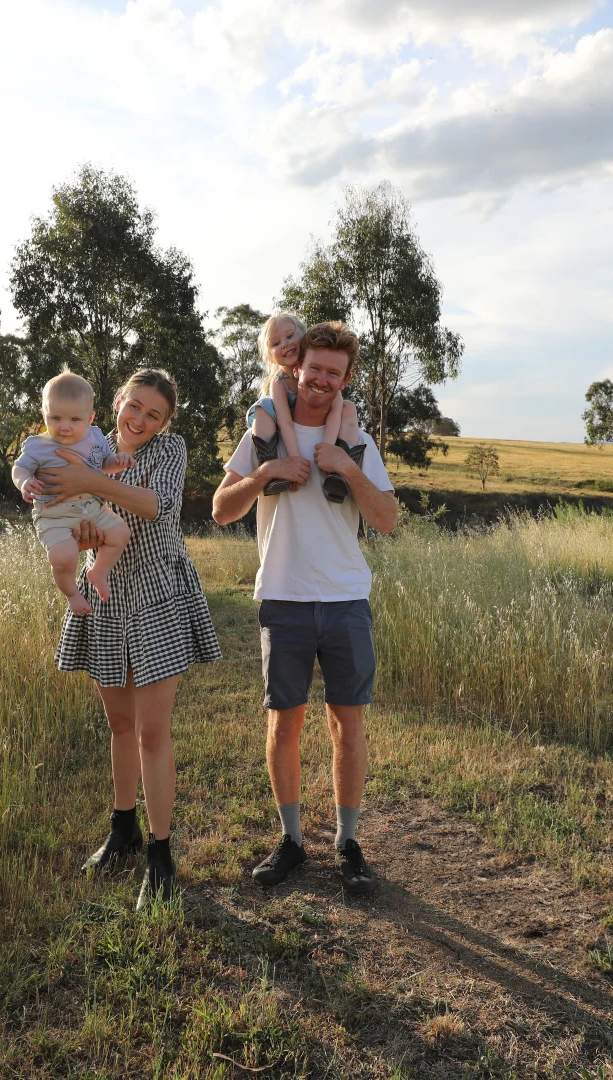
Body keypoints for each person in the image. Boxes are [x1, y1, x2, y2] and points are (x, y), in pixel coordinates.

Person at [211, 321, 398, 895]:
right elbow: (222, 510)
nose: (320, 379)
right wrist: (266, 473)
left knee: (348, 725)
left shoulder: (357, 440)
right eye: (313, 368)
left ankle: (348, 843)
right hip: (285, 596)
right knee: (284, 722)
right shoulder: (264, 431)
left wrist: (344, 468)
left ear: (345, 379)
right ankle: (292, 841)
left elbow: (387, 519)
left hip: (345, 598)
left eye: (333, 373)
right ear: (298, 367)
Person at [33, 368, 222, 911]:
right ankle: (124, 830)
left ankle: (161, 855)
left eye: (153, 414)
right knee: (119, 723)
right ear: (115, 403)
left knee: (153, 732)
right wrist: (77, 527)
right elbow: (57, 506)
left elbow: (152, 505)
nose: (139, 419)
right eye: (133, 406)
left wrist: (89, 485)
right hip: (106, 591)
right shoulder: (84, 443)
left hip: (158, 591)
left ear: (165, 422)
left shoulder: (168, 450)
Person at [12, 369, 135, 615]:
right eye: (56, 418)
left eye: (74, 420)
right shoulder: (38, 445)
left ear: (90, 419)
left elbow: (105, 463)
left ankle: (98, 571)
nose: (65, 427)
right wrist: (24, 482)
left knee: (121, 533)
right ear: (43, 415)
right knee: (63, 557)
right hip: (53, 514)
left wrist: (118, 461)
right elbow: (19, 468)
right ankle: (72, 595)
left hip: (92, 509)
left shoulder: (96, 437)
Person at [247, 312, 365, 502]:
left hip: (322, 426)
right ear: (270, 355)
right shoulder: (278, 383)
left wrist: (327, 449)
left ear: (304, 337)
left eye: (289, 335)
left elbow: (335, 411)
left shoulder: (325, 380)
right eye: (275, 343)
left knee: (348, 407)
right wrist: (294, 462)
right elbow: (285, 421)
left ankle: (340, 472)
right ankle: (271, 469)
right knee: (263, 408)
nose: (284, 344)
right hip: (283, 423)